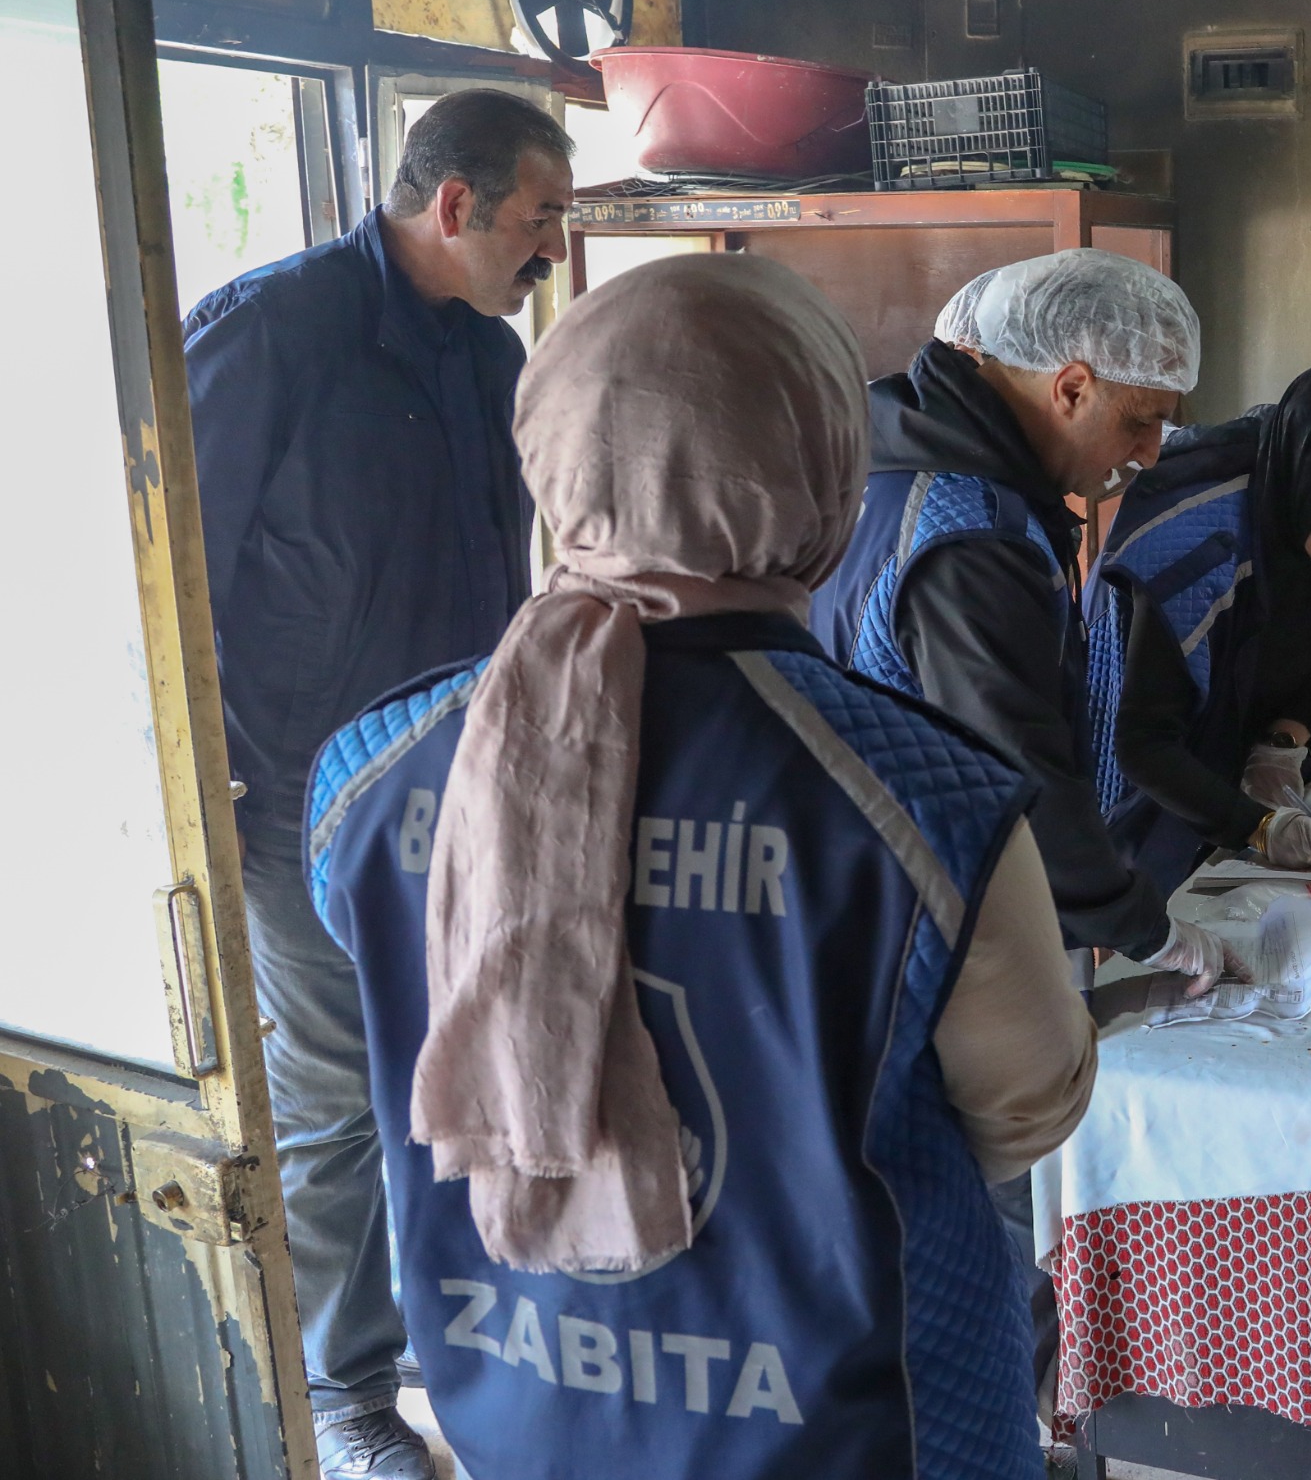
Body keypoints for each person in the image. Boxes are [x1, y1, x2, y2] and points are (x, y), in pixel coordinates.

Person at [305, 254, 1096, 1479]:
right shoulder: (925, 802)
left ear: (552, 451)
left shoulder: (367, 774)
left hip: (522, 1410)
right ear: (822, 465)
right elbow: (1023, 1105)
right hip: (867, 1423)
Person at [184, 88, 573, 1477]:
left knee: (467, 1064)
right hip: (298, 795)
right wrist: (203, 770)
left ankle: (458, 1348)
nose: (551, 250)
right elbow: (175, 553)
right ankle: (341, 1391)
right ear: (455, 203)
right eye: (537, 220)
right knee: (342, 1092)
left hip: (461, 777)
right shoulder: (273, 328)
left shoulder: (485, 350)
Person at [810, 249, 1243, 1413]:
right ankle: (1000, 1420)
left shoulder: (914, 465)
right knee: (984, 1198)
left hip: (875, 897)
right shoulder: (969, 528)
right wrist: (1141, 927)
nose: (1149, 455)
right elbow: (1013, 769)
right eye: (1141, 421)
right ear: (1068, 386)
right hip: (934, 922)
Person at [1086, 359, 1311, 893]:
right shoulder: (1193, 543)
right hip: (1158, 773)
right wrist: (1258, 825)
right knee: (1162, 918)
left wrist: (1283, 742)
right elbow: (1142, 743)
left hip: (1237, 743)